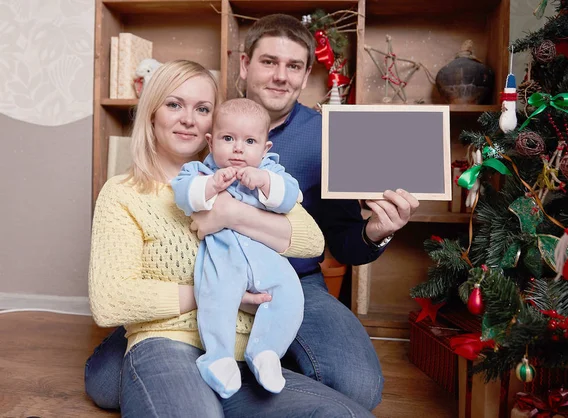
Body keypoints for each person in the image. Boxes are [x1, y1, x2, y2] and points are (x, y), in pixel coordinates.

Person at [86, 13, 419, 412]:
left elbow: (325, 239)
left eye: (293, 66)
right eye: (268, 62)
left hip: (294, 280)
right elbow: (114, 296)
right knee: (131, 371)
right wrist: (218, 295)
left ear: (305, 73)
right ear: (244, 65)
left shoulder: (323, 136)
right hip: (205, 291)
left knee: (357, 389)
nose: (281, 76)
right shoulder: (197, 160)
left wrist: (375, 230)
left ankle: (250, 368)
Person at [171, 98, 304, 397]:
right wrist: (212, 186)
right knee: (216, 300)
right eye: (228, 138)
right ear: (210, 141)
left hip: (267, 259)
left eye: (250, 141)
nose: (238, 148)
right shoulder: (200, 171)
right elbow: (182, 194)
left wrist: (264, 181)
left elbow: (290, 195)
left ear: (265, 148)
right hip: (223, 258)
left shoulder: (270, 171)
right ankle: (218, 359)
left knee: (290, 295)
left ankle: (266, 352)